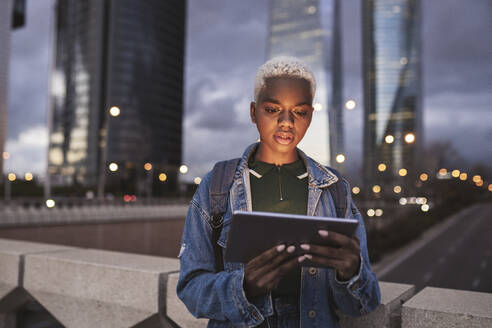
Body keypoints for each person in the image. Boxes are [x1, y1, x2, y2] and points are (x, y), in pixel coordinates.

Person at [177, 56, 381, 327]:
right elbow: (191, 289)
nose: (287, 122)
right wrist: (242, 286)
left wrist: (351, 272)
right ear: (253, 112)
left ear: (310, 115)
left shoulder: (335, 188)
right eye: (273, 110)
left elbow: (363, 304)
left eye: (300, 112)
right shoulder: (218, 185)